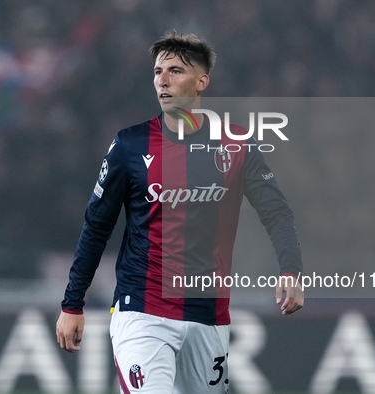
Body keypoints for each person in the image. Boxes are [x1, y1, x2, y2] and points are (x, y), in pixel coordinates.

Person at [56, 30, 304, 393]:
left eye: (175, 71)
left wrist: (291, 270)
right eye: (158, 72)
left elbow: (277, 213)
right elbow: (97, 225)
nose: (163, 80)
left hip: (208, 316)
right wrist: (72, 302)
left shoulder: (235, 145)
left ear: (202, 81)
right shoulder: (130, 145)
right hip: (142, 311)